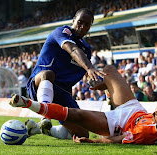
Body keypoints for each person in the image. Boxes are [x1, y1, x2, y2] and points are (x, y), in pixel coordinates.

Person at [10, 65, 157, 145]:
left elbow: (117, 139)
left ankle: (29, 103)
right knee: (109, 70)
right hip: (134, 109)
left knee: (76, 115)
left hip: (116, 123)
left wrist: (93, 142)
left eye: (155, 116)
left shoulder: (144, 132)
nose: (152, 115)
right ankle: (108, 90)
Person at [25, 8, 106, 139]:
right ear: (74, 20)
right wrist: (90, 67)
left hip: (63, 93)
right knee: (48, 74)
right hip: (40, 84)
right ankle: (45, 116)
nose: (82, 26)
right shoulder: (61, 32)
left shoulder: (86, 50)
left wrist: (97, 81)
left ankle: (38, 130)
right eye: (80, 22)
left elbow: (86, 73)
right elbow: (72, 49)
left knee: (82, 133)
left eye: (87, 25)